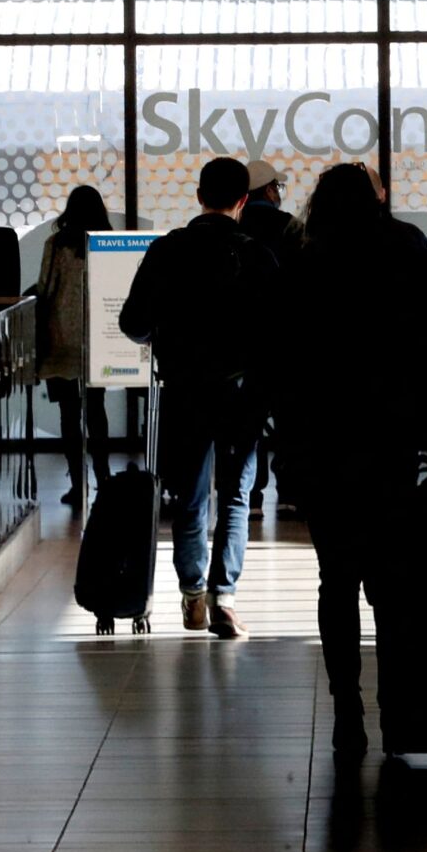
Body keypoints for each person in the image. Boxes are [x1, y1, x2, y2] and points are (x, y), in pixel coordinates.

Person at [273, 162, 427, 757]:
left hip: (326, 440)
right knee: (391, 578)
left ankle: (346, 706)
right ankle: (396, 705)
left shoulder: (304, 255)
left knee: (337, 580)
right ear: (375, 199)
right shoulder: (405, 246)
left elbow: (289, 361)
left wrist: (288, 447)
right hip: (393, 436)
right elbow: (423, 345)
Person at [117, 155, 283, 639]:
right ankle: (223, 598)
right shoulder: (257, 256)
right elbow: (277, 332)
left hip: (184, 390)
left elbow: (133, 322)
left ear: (198, 196)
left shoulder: (167, 251)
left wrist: (162, 336)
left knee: (190, 498)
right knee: (234, 495)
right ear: (243, 201)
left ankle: (192, 596)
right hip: (241, 394)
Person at [32, 184, 112, 507]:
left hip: (60, 339)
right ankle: (104, 477)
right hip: (97, 340)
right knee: (97, 411)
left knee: (69, 414)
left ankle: (77, 485)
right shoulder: (106, 243)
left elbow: (45, 288)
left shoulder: (57, 244)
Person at [239, 160, 304, 513]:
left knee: (248, 421)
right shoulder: (291, 227)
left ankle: (251, 494)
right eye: (277, 187)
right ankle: (290, 493)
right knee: (289, 418)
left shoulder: (235, 225)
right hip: (287, 341)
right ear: (268, 190)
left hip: (241, 343)